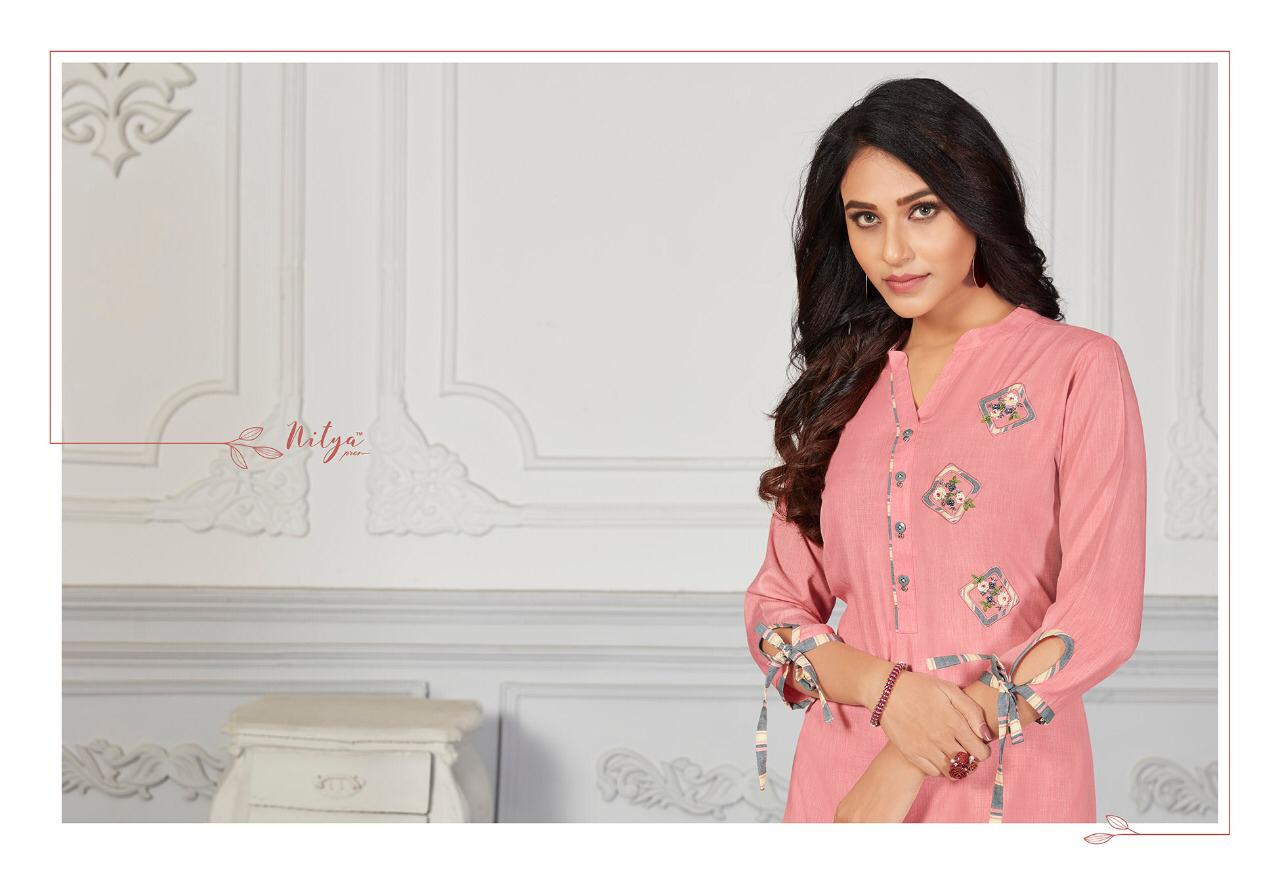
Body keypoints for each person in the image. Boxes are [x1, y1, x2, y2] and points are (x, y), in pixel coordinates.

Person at [743, 77, 1147, 824]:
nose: (893, 250)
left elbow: (1098, 616)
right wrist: (887, 693)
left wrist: (905, 760)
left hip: (1007, 781)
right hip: (843, 784)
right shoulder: (844, 387)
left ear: (976, 202)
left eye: (922, 210)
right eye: (866, 219)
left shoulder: (1076, 369)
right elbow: (775, 609)